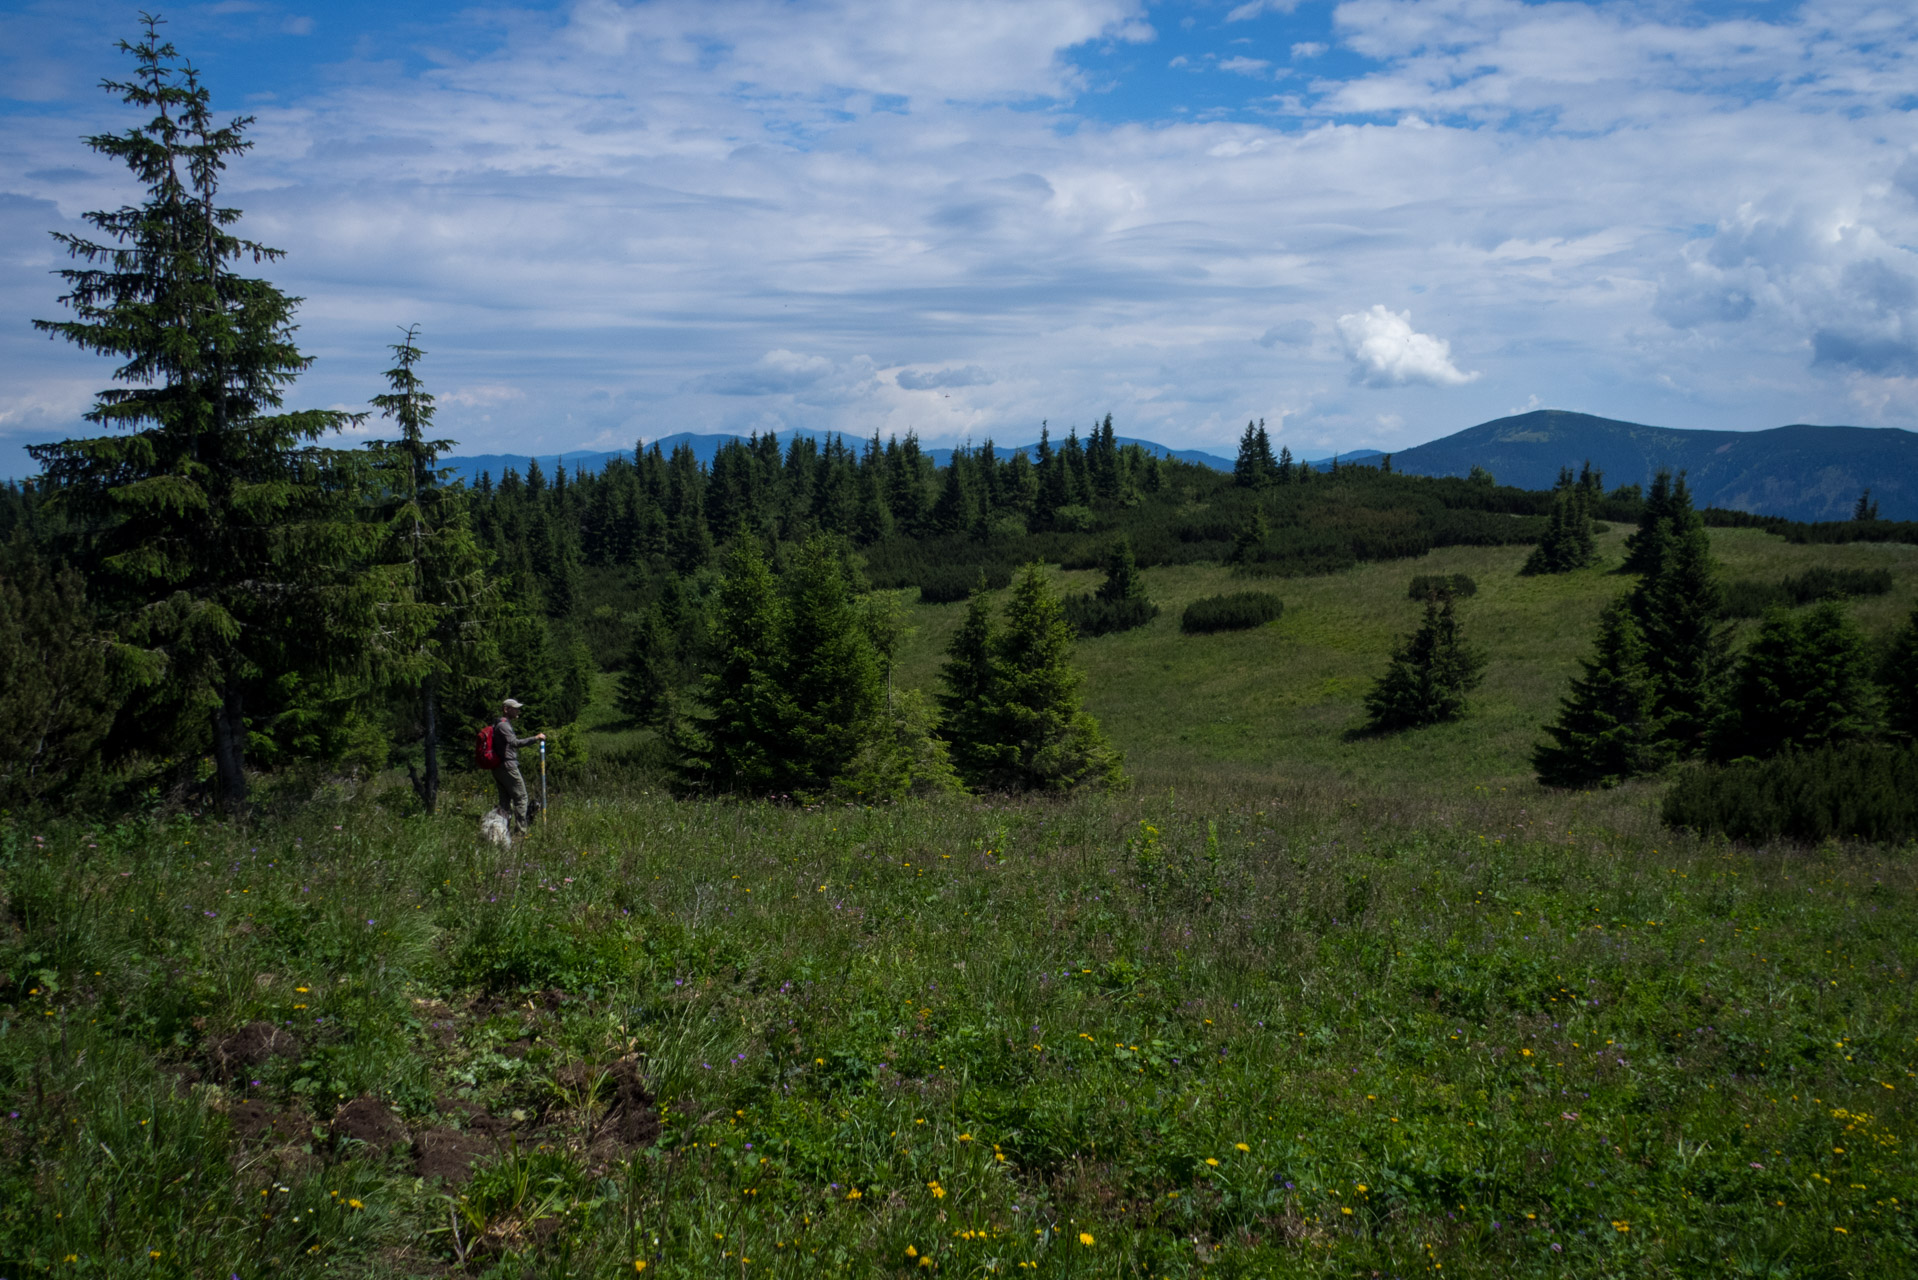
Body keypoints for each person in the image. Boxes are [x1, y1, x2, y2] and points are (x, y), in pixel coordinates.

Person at [491, 698, 545, 834]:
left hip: (499, 766)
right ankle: (521, 830)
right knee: (521, 797)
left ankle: (502, 831)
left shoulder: (500, 724)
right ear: (506, 709)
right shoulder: (503, 726)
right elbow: (514, 743)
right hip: (508, 766)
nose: (517, 710)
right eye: (515, 708)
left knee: (504, 801)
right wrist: (536, 738)